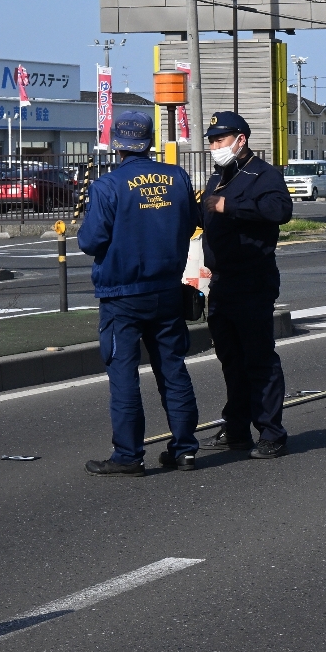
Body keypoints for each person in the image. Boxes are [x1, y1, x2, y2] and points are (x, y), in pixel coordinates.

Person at [78, 111, 201, 477]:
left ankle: (129, 455)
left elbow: (89, 241)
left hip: (122, 294)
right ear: (149, 141)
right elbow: (193, 222)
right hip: (167, 289)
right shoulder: (177, 177)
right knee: (173, 368)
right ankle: (185, 449)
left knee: (124, 374)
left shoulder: (107, 186)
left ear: (117, 143)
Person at [197, 112, 294, 458]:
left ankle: (272, 431)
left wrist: (230, 206)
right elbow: (202, 218)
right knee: (230, 359)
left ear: (241, 139)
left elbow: (280, 209)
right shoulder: (217, 178)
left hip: (253, 280)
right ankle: (236, 428)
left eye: (220, 140)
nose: (214, 147)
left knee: (258, 358)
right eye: (211, 141)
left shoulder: (264, 175)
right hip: (220, 282)